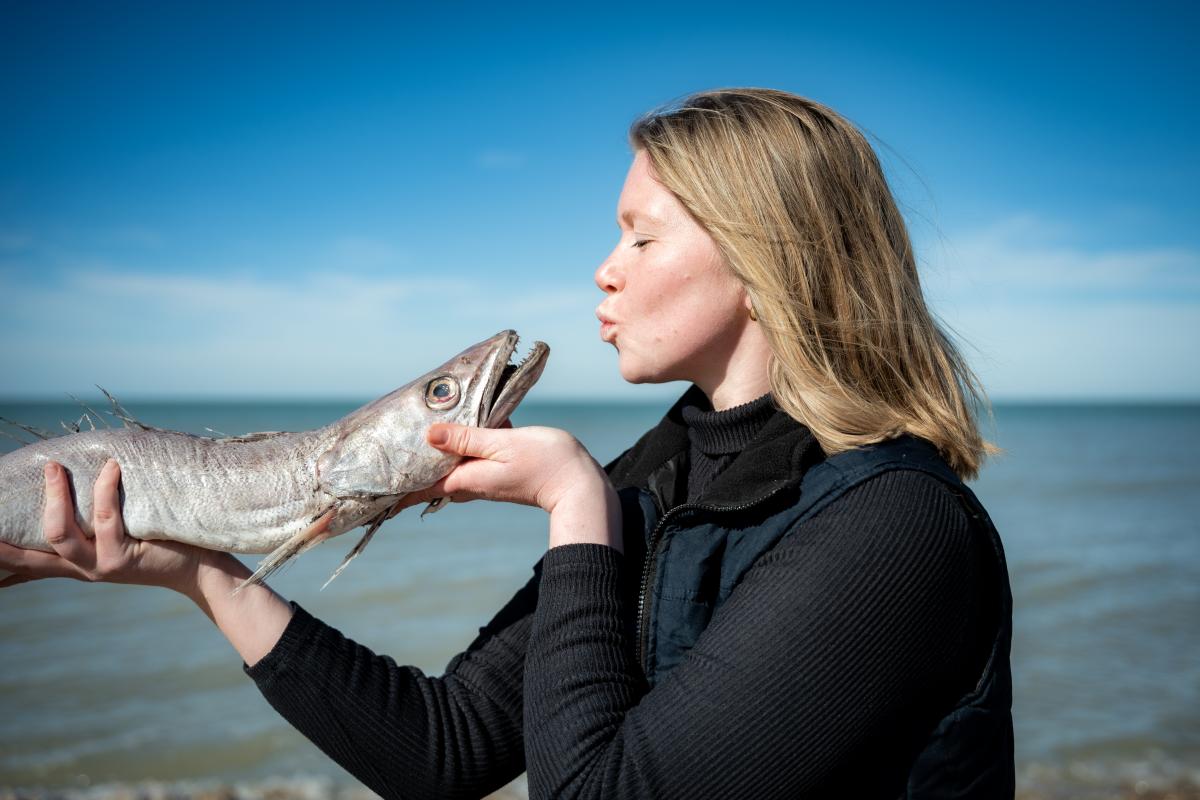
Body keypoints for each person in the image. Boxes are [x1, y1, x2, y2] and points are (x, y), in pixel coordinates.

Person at [0, 88, 1014, 799]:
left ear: (765, 259)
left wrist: (575, 511)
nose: (603, 271)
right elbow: (439, 751)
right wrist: (200, 574)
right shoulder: (661, 476)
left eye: (641, 235)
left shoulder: (897, 526)